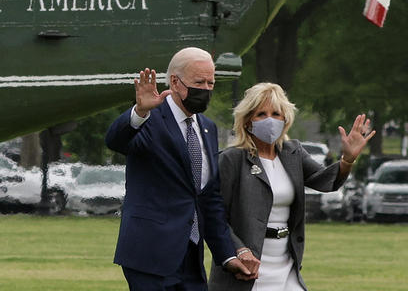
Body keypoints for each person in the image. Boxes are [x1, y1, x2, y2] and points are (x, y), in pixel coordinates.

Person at [106, 47, 251, 291]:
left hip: (191, 257)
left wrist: (227, 255)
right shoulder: (149, 118)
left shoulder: (208, 128)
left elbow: (208, 199)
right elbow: (116, 140)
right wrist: (140, 112)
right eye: (199, 82)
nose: (205, 89)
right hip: (150, 255)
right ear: (175, 82)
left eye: (210, 83)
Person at [208, 82, 375, 291]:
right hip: (248, 267)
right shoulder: (232, 159)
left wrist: (347, 160)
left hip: (286, 263)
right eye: (261, 114)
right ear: (248, 121)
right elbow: (214, 216)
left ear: (285, 118)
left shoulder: (292, 152)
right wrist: (239, 250)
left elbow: (325, 180)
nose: (270, 120)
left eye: (276, 113)